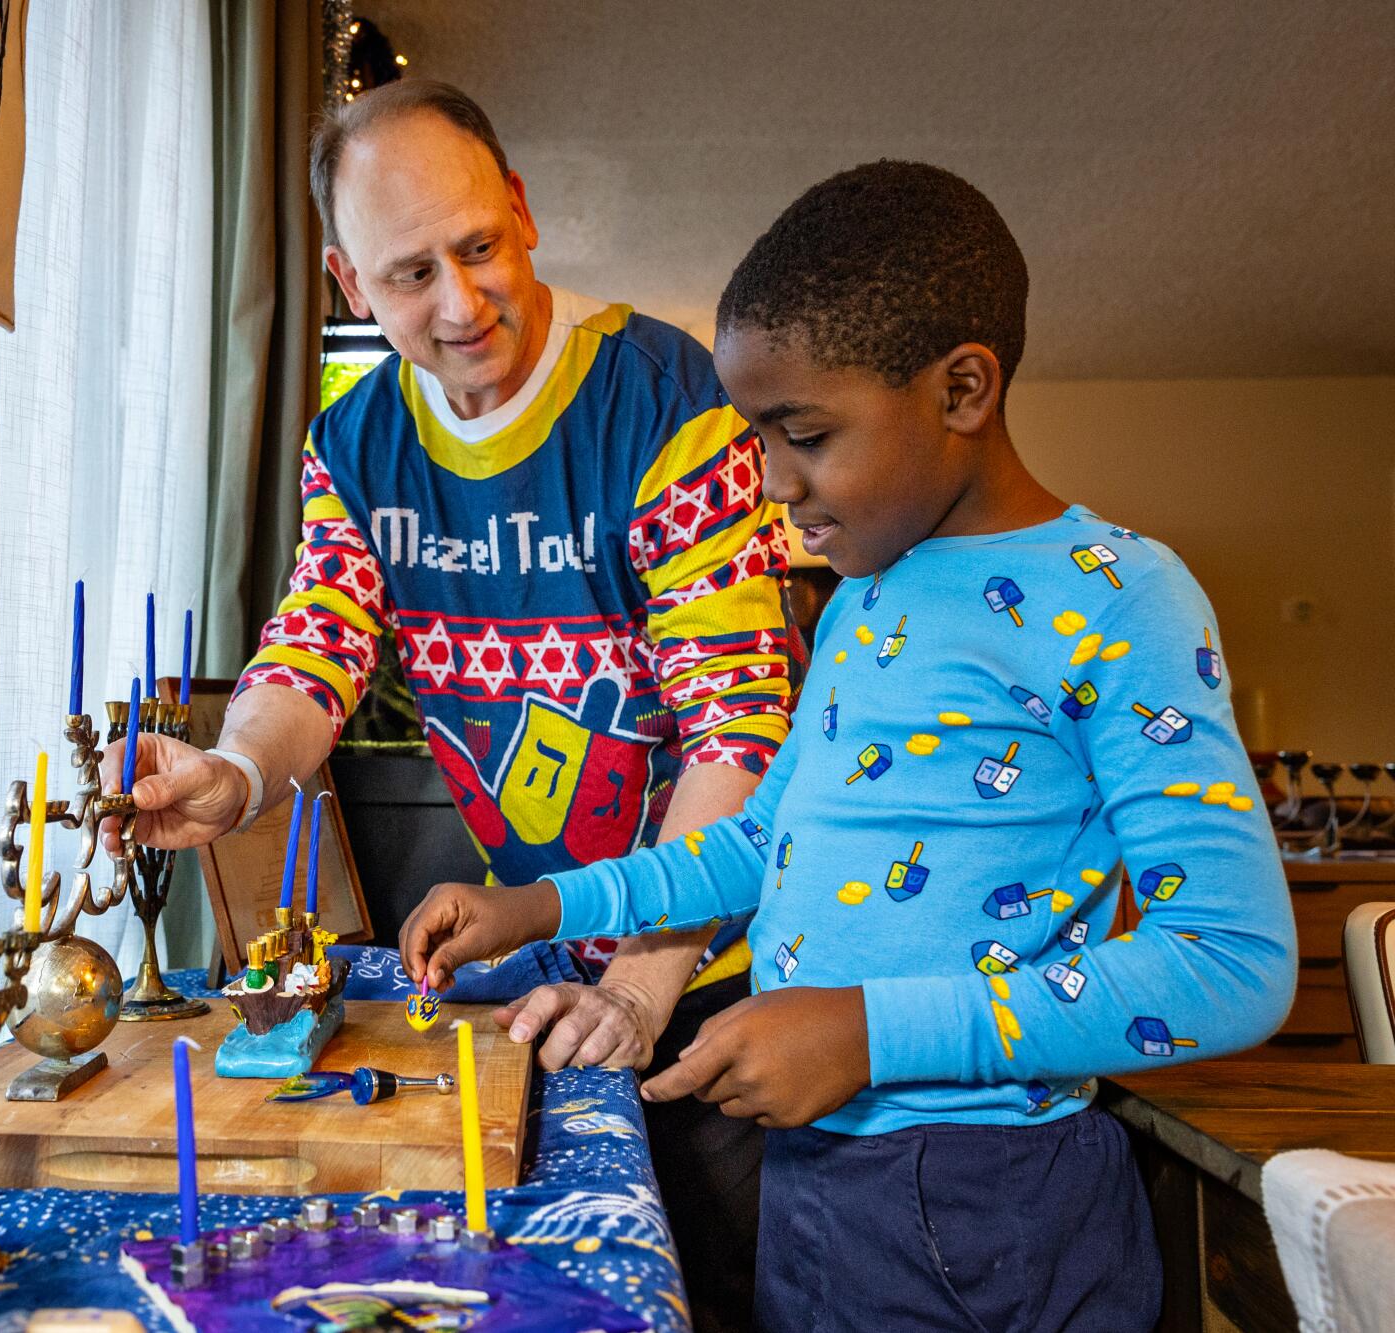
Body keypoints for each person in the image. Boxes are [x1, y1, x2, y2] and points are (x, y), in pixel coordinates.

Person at [399, 159, 1298, 1331]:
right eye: (756, 437)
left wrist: (867, 1029)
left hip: (991, 1205)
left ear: (962, 388)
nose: (771, 483)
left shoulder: (1123, 594)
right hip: (817, 1175)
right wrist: (544, 908)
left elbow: (1228, 963)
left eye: (804, 433)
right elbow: (764, 844)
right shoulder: (862, 599)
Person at [107, 80, 797, 1328]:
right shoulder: (356, 438)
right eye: (411, 271)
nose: (461, 302)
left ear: (523, 213)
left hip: (704, 972)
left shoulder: (661, 395)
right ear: (346, 282)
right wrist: (236, 775)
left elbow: (735, 720)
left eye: (478, 248)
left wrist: (639, 988)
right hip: (539, 969)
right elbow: (314, 647)